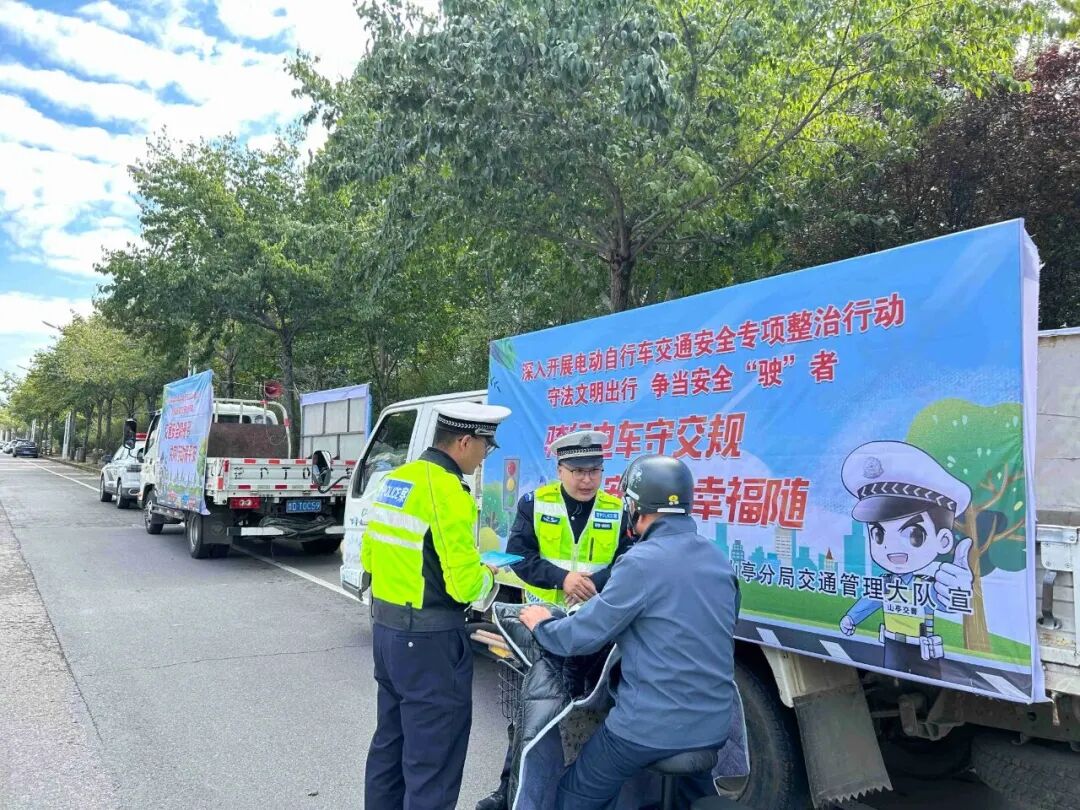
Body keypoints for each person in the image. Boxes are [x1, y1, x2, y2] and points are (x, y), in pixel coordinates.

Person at [518, 455, 740, 810]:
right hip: (714, 727)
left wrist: (542, 624)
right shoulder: (719, 560)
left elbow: (582, 637)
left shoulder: (640, 562)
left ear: (635, 506)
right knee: (691, 796)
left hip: (649, 726)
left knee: (575, 794)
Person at [362, 402, 511, 810]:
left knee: (389, 747)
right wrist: (489, 574)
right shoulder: (448, 491)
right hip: (429, 643)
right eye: (485, 446)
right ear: (464, 442)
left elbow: (369, 557)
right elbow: (464, 587)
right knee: (433, 762)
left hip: (387, 632)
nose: (484, 457)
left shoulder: (397, 480)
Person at [477, 429, 631, 810]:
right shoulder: (536, 503)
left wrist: (595, 583)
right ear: (560, 469)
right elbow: (519, 556)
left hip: (597, 631)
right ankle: (508, 790)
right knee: (533, 711)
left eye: (594, 471)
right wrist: (562, 579)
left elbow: (630, 561)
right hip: (542, 630)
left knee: (598, 715)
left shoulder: (618, 509)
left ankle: (584, 795)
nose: (587, 480)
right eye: (578, 471)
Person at [838, 440, 975, 679]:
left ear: (943, 540)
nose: (891, 546)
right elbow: (872, 599)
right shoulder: (887, 582)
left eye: (914, 534)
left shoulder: (928, 581)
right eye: (878, 534)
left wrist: (955, 591)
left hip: (923, 649)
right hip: (892, 643)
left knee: (930, 681)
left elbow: (941, 599)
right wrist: (852, 617)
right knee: (891, 678)